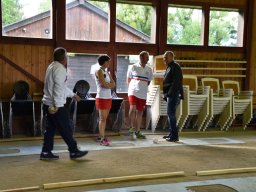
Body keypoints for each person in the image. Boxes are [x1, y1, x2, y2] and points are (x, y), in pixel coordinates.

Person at [40, 47, 88, 160]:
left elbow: (61, 87)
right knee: (66, 128)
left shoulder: (51, 66)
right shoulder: (60, 69)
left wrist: (72, 95)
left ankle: (46, 152)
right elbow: (58, 87)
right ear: (64, 58)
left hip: (48, 103)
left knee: (50, 129)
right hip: (55, 105)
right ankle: (73, 151)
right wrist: (57, 105)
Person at [127, 51, 153, 139]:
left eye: (148, 57)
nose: (148, 59)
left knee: (140, 112)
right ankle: (131, 129)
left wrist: (142, 87)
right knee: (132, 109)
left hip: (143, 93)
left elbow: (148, 81)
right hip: (133, 91)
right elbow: (129, 79)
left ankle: (137, 131)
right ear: (141, 58)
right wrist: (134, 87)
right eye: (146, 57)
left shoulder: (149, 69)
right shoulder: (133, 66)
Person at [162, 51, 183, 142]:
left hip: (174, 94)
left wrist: (169, 94)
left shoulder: (176, 67)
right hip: (170, 94)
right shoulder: (170, 67)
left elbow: (176, 82)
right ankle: (171, 134)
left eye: (166, 57)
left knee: (171, 114)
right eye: (164, 57)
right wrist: (166, 94)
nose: (164, 59)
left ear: (172, 57)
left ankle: (174, 136)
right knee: (170, 114)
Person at [95, 55, 115, 146]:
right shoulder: (98, 71)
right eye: (108, 61)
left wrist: (109, 84)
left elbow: (113, 83)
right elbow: (103, 84)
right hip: (102, 97)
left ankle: (102, 136)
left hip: (108, 97)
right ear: (104, 62)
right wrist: (108, 85)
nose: (109, 63)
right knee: (102, 119)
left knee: (104, 118)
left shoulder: (107, 72)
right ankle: (101, 138)